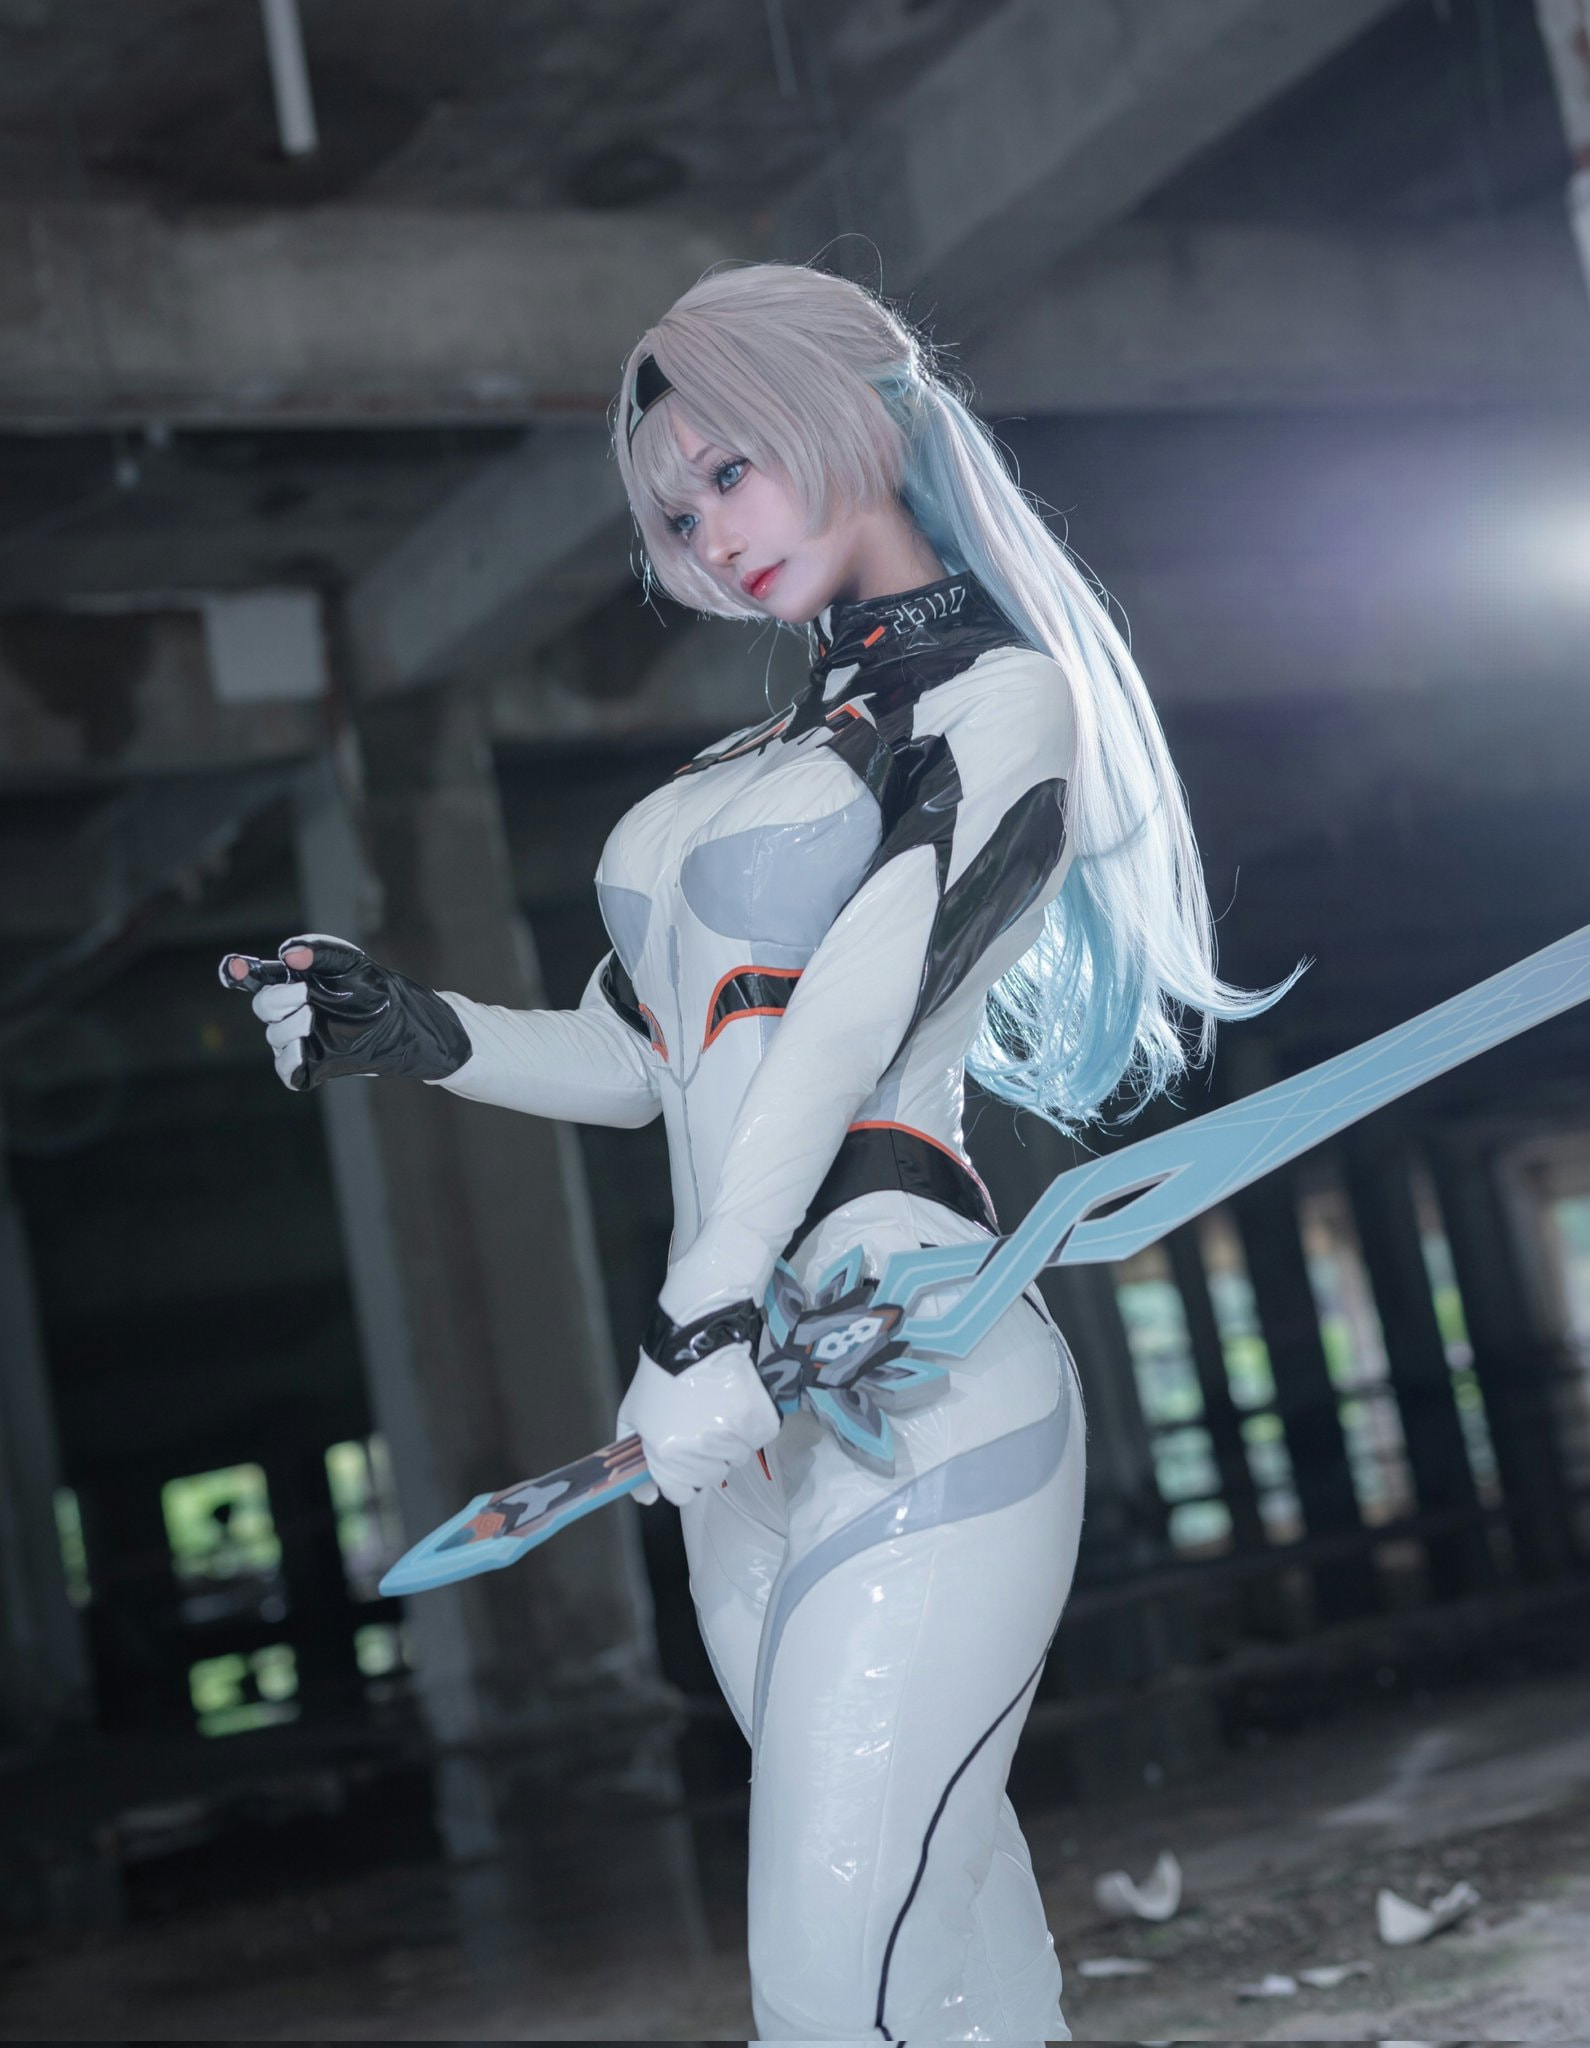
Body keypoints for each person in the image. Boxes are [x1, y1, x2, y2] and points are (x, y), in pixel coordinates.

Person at [222, 262, 1291, 2041]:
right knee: (947, 1961)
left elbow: (852, 1013)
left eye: (730, 470)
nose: (710, 535)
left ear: (848, 415)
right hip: (729, 1428)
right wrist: (412, 1029)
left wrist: (702, 1313)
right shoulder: (755, 755)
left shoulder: (996, 702)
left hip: (905, 1361)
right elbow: (651, 1061)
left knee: (825, 1982)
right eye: (674, 511)